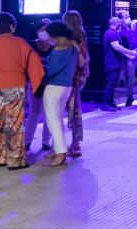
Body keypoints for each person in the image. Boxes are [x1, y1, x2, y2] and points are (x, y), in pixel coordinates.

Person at [0, 12, 44, 170]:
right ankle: (15, 160)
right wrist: (37, 83)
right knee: (14, 122)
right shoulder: (20, 43)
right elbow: (34, 60)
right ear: (11, 26)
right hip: (15, 84)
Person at [42, 22, 83, 167]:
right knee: (58, 118)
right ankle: (56, 148)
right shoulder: (72, 47)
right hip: (67, 87)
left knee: (53, 121)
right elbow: (80, 64)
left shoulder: (57, 49)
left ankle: (60, 153)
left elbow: (49, 71)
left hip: (53, 88)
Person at [63, 10, 89, 157]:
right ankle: (75, 143)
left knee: (73, 110)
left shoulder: (71, 39)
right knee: (74, 109)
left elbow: (79, 59)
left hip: (71, 78)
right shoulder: (82, 36)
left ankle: (75, 144)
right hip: (79, 77)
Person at [24, 19, 53, 151]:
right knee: (34, 113)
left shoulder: (56, 46)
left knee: (49, 113)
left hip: (52, 84)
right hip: (34, 83)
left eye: (47, 29)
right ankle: (26, 141)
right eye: (42, 29)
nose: (44, 33)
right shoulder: (30, 45)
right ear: (37, 31)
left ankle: (46, 141)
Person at [101, 17, 137, 111]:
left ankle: (110, 103)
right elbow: (117, 47)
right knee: (111, 83)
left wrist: (129, 55)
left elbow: (118, 49)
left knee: (112, 83)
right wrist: (130, 52)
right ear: (116, 23)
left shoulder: (113, 33)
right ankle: (105, 104)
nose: (120, 24)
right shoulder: (111, 33)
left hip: (115, 63)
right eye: (119, 22)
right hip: (111, 63)